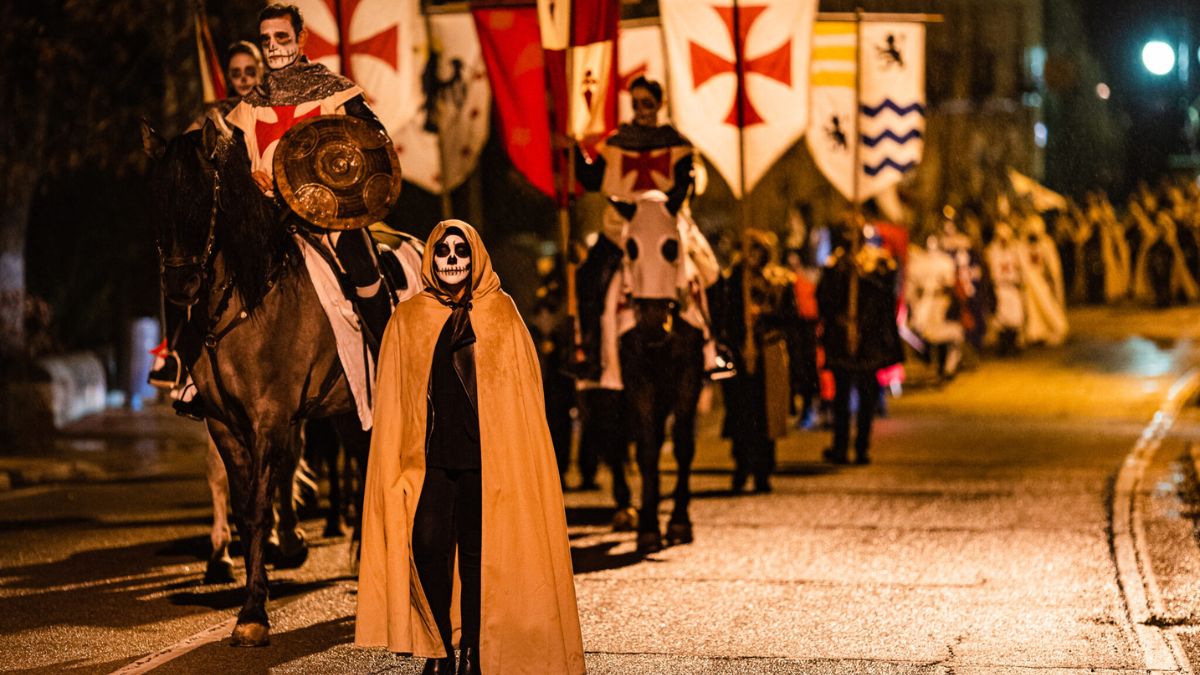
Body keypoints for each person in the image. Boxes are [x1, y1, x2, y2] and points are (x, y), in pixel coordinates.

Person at [356, 220, 585, 675]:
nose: (453, 260)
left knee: (483, 561)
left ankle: (476, 652)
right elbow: (396, 400)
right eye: (443, 251)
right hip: (431, 462)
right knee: (427, 547)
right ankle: (439, 643)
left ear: (475, 256)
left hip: (488, 462)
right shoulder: (410, 317)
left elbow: (523, 399)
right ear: (432, 259)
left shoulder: (502, 313)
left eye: (461, 251)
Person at [225, 3, 392, 349]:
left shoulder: (336, 92)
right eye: (265, 38)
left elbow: (376, 145)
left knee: (361, 263)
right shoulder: (249, 107)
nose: (272, 46)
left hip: (328, 219)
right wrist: (247, 177)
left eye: (281, 36)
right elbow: (230, 170)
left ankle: (390, 355)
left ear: (301, 38)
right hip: (268, 223)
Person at [148, 41, 264, 399]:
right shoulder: (216, 116)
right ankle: (179, 356)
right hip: (234, 219)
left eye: (250, 71)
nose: (243, 79)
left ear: (260, 71)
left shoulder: (275, 107)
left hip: (274, 210)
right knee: (180, 256)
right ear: (227, 78)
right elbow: (187, 146)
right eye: (236, 73)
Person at [709, 229, 799, 493]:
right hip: (741, 355)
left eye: (757, 250)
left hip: (768, 355)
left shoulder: (779, 282)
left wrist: (765, 315)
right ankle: (741, 468)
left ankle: (763, 471)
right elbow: (722, 316)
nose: (752, 256)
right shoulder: (733, 282)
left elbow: (790, 319)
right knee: (741, 414)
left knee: (766, 416)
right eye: (748, 250)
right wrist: (739, 332)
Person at [817, 221, 904, 465]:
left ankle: (862, 446)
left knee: (867, 395)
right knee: (841, 395)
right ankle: (840, 445)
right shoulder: (835, 265)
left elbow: (885, 298)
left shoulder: (877, 264)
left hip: (869, 341)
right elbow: (824, 300)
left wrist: (864, 276)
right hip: (842, 339)